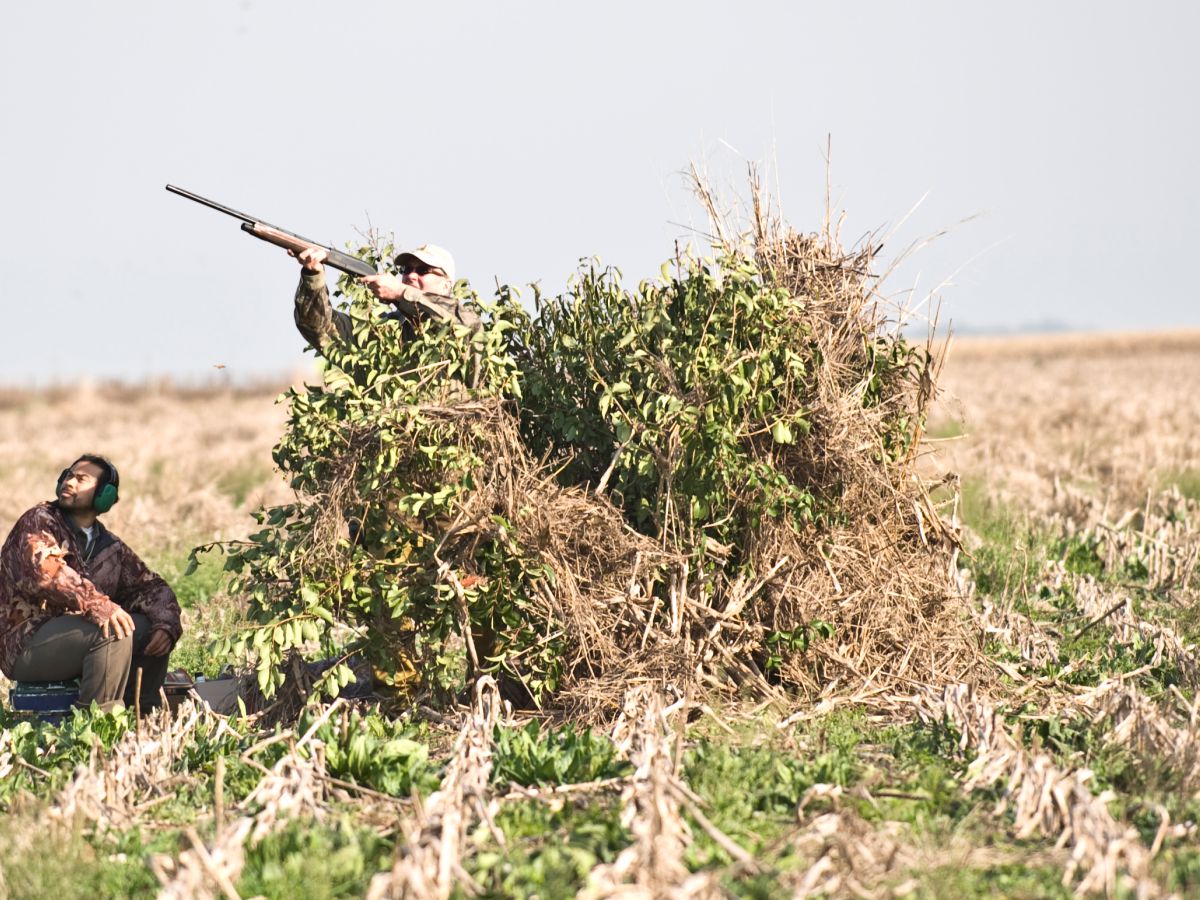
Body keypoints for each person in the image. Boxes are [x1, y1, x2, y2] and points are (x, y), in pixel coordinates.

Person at [0, 455, 183, 712]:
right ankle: (97, 725)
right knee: (111, 630)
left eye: (81, 478)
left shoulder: (109, 546)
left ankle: (143, 716)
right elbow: (45, 573)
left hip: (75, 638)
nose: (69, 482)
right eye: (68, 475)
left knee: (145, 626)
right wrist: (97, 604)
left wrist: (166, 623)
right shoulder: (38, 521)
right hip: (24, 642)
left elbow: (152, 588)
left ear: (104, 495)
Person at [290, 243, 480, 355]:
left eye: (423, 271)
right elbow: (321, 330)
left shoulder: (462, 321)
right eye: (407, 270)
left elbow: (465, 324)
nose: (412, 276)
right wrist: (313, 276)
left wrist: (400, 293)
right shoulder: (384, 331)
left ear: (447, 285)